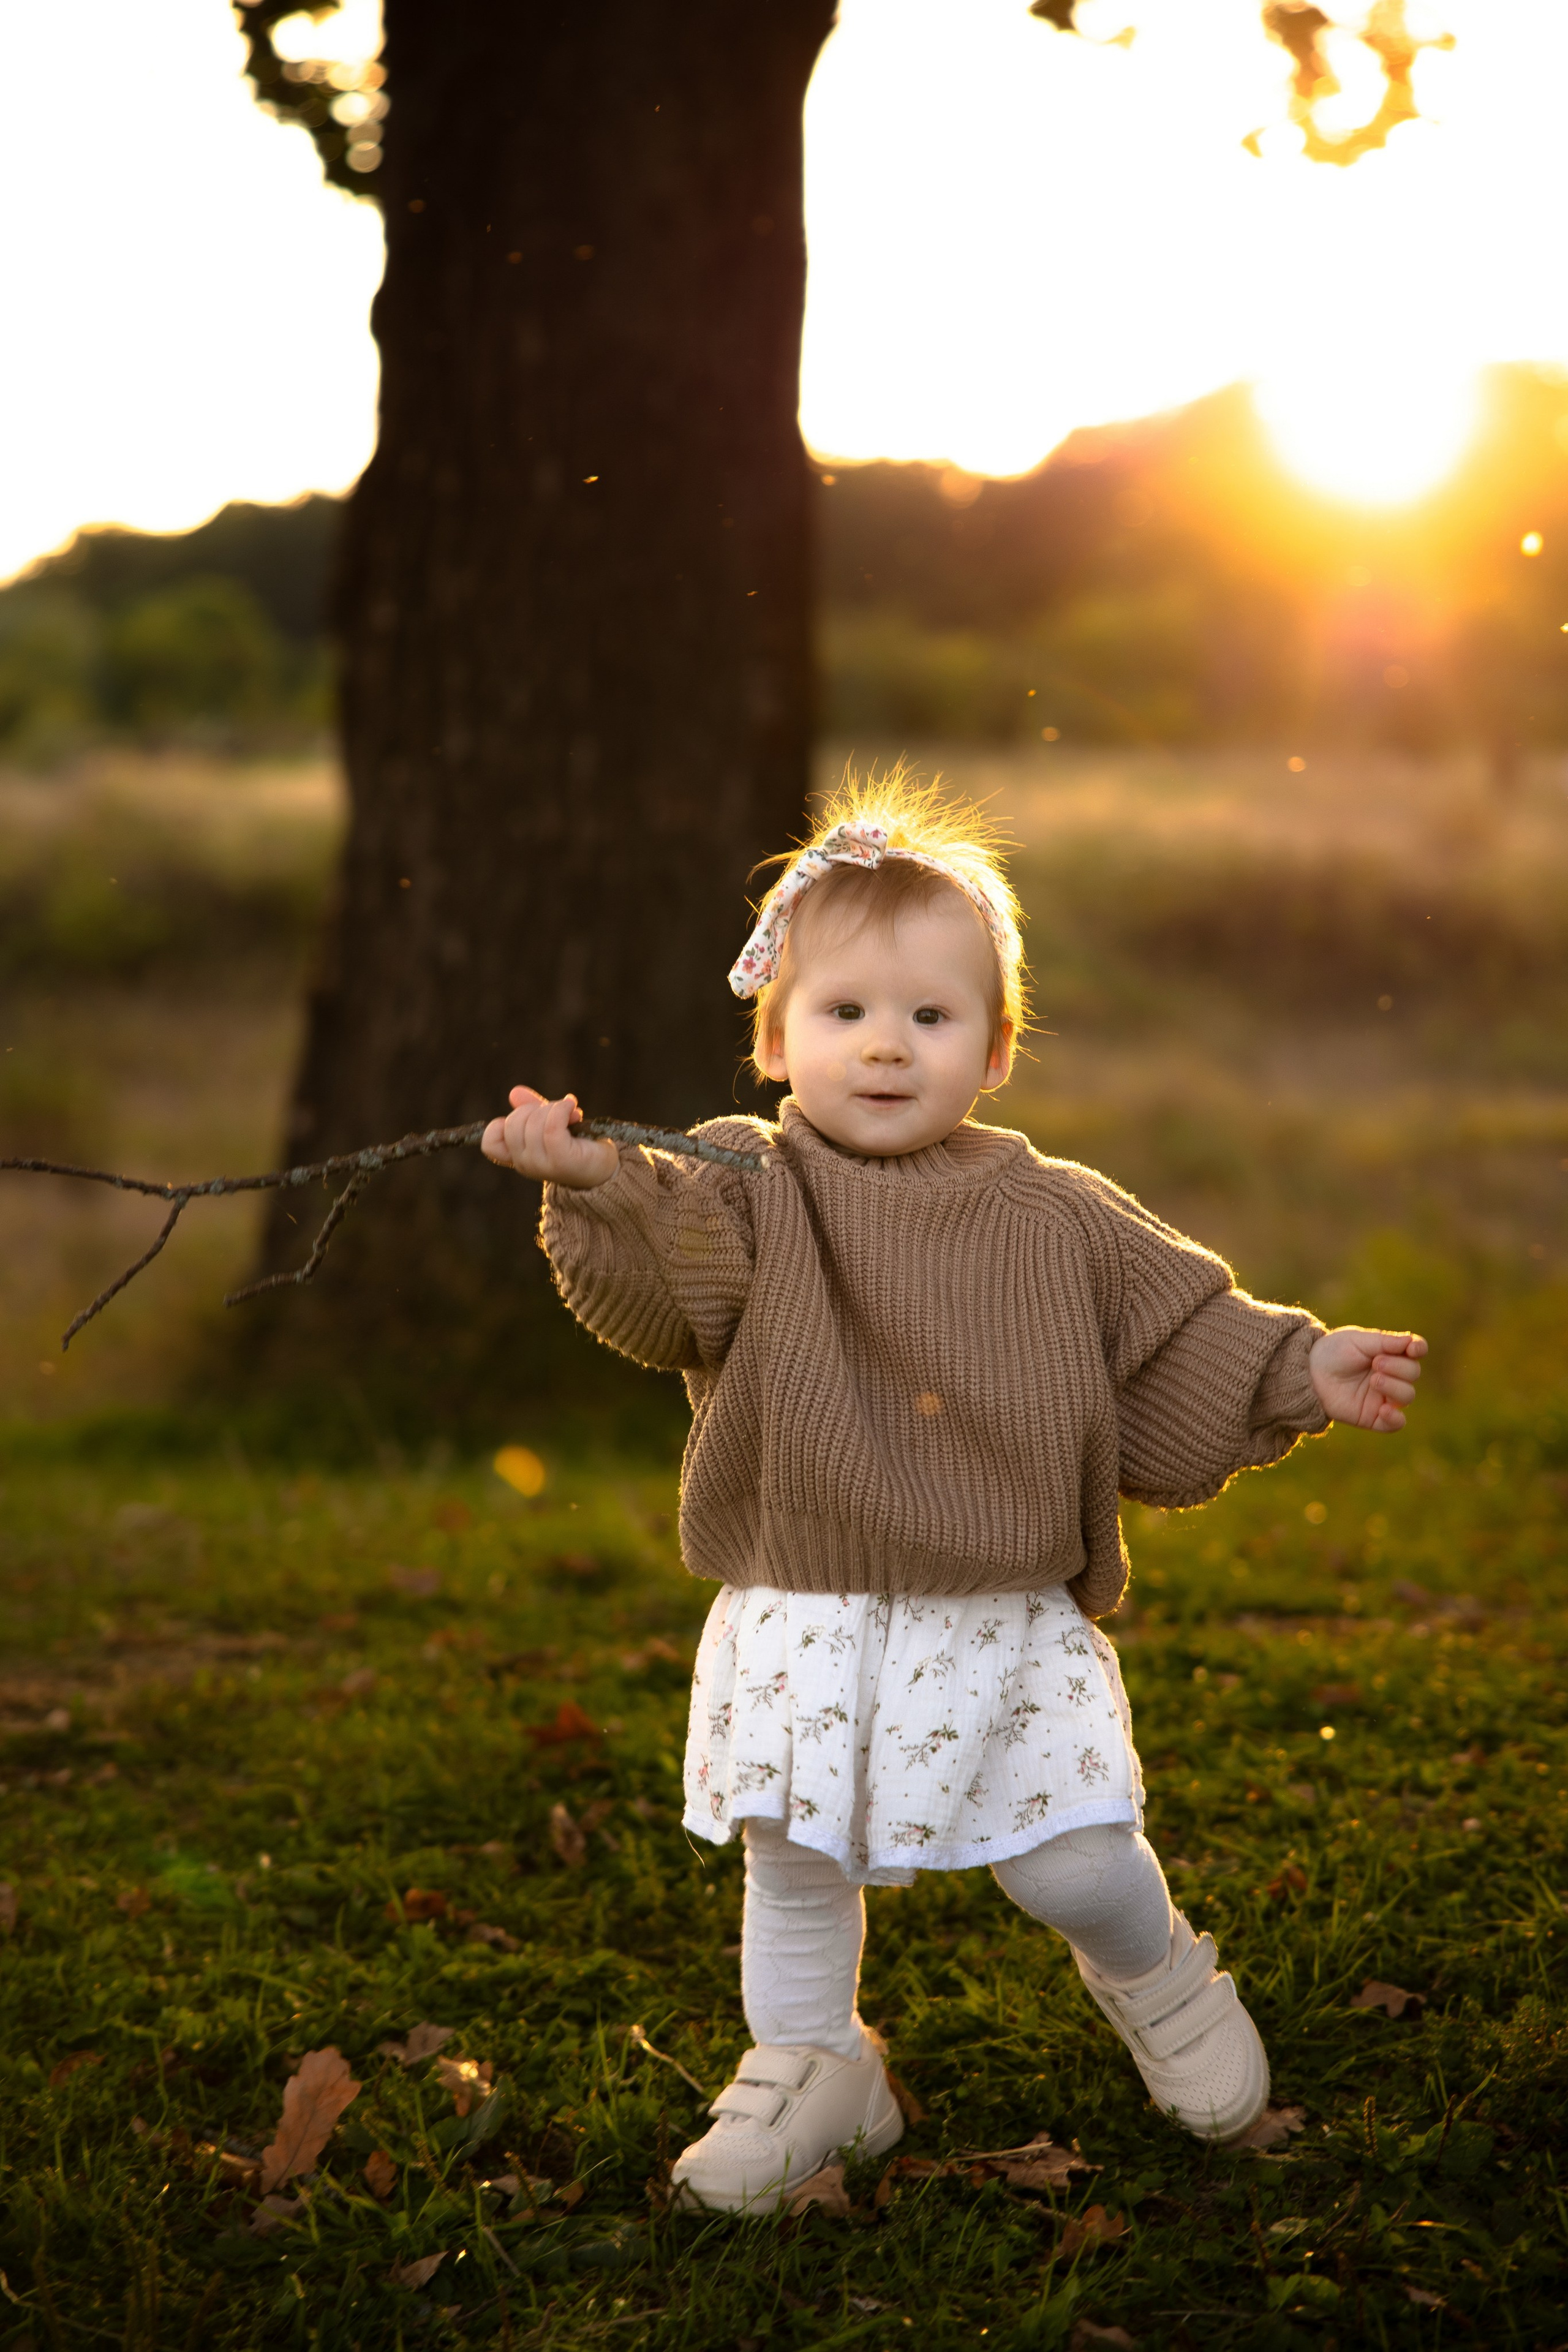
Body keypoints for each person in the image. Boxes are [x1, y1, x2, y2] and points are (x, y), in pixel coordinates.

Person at [481, 772, 1426, 2212]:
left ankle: (1151, 1967)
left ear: (992, 1051)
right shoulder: (735, 1183)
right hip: (800, 1597)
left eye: (930, 1018)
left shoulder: (1054, 1213)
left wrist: (1304, 1369)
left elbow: (1176, 1335)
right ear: (773, 1036)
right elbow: (663, 1295)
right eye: (842, 1013)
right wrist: (589, 1186)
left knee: (1068, 1860)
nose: (882, 1048)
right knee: (793, 1853)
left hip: (993, 1613)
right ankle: (813, 2063)